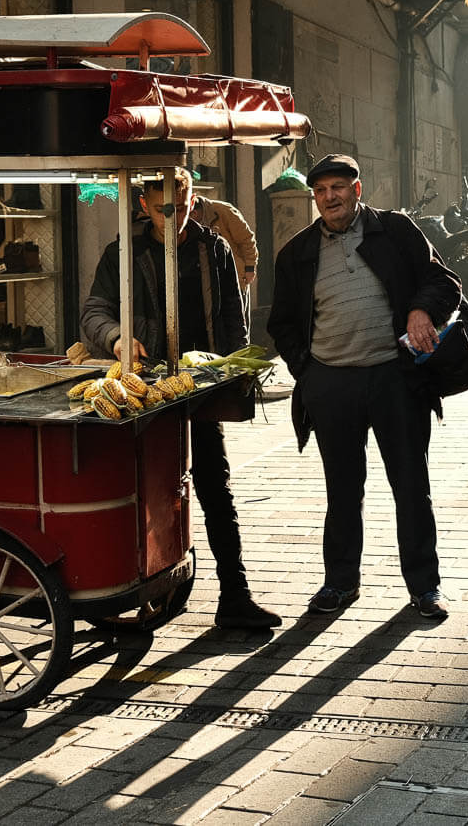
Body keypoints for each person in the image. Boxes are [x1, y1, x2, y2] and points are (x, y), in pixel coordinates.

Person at [79, 169, 280, 629]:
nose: (176, 211)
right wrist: (116, 339)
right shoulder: (123, 252)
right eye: (165, 204)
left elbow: (234, 319)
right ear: (145, 205)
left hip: (199, 389)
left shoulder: (216, 249)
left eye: (184, 200)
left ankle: (235, 596)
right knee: (149, 490)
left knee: (215, 489)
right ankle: (144, 581)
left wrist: (233, 377)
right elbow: (95, 311)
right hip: (144, 392)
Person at [267, 154, 462, 621]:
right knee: (343, 488)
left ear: (357, 190)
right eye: (321, 191)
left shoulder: (394, 231)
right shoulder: (296, 253)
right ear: (314, 198)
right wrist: (308, 374)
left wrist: (420, 311)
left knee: (411, 485)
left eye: (338, 187)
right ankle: (340, 582)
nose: (330, 197)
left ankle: (425, 586)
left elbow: (444, 280)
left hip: (395, 378)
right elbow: (283, 324)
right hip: (332, 384)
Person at [190, 195, 258, 303]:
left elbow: (246, 239)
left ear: (194, 213)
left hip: (234, 276)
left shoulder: (224, 211)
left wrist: (250, 268)